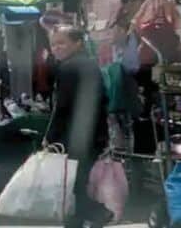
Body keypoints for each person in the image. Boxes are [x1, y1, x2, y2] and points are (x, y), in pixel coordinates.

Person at [45, 26, 111, 228]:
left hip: (76, 137)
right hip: (94, 135)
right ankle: (78, 221)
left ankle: (99, 213)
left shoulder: (68, 68)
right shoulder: (90, 65)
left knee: (74, 185)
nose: (56, 48)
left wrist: (50, 136)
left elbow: (62, 107)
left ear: (77, 43)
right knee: (77, 183)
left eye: (61, 43)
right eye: (53, 44)